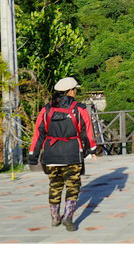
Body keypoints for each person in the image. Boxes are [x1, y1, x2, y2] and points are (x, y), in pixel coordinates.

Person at [28, 77, 97, 232]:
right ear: (70, 91)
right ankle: (68, 217)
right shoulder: (79, 108)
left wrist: (33, 155)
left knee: (55, 185)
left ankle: (54, 217)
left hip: (51, 154)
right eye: (75, 89)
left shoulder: (46, 109)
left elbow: (38, 133)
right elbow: (87, 131)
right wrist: (91, 149)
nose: (76, 91)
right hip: (72, 153)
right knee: (73, 186)